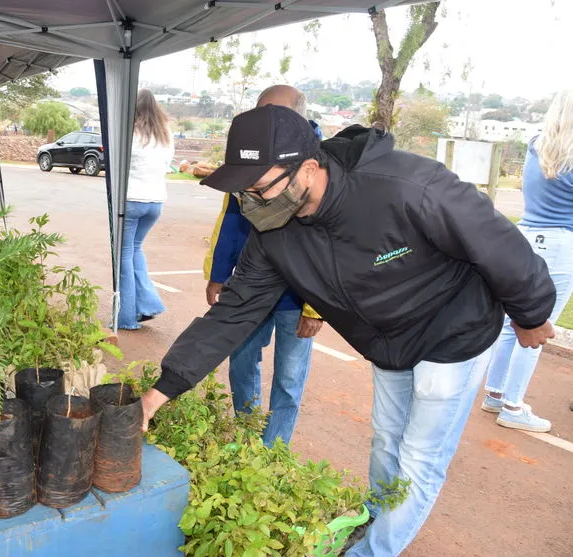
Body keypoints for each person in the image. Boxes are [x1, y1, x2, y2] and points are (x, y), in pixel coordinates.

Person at [139, 106, 556, 557]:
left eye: (258, 188)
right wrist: (159, 393)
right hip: (389, 341)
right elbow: (234, 312)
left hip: (454, 330)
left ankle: (372, 552)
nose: (250, 203)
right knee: (386, 439)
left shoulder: (405, 185)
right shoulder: (274, 231)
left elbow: (494, 240)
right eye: (243, 192)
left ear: (309, 169)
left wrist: (530, 313)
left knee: (419, 458)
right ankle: (377, 517)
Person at [204, 85, 323, 446]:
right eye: (259, 110)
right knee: (241, 364)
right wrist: (218, 274)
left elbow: (326, 243)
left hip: (297, 295)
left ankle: (273, 452)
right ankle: (247, 437)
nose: (262, 120)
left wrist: (315, 307)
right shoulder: (248, 155)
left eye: (273, 111)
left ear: (299, 116)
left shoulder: (317, 164)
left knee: (289, 378)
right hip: (251, 286)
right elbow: (230, 219)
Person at [483, 89, 573, 433]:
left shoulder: (537, 144)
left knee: (512, 322)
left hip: (526, 236)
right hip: (560, 244)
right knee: (539, 325)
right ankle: (513, 405)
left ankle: (495, 393)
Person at [116, 89, 174, 330]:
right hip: (156, 201)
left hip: (131, 200)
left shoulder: (129, 132)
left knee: (123, 258)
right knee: (135, 251)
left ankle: (126, 318)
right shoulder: (165, 133)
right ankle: (147, 305)